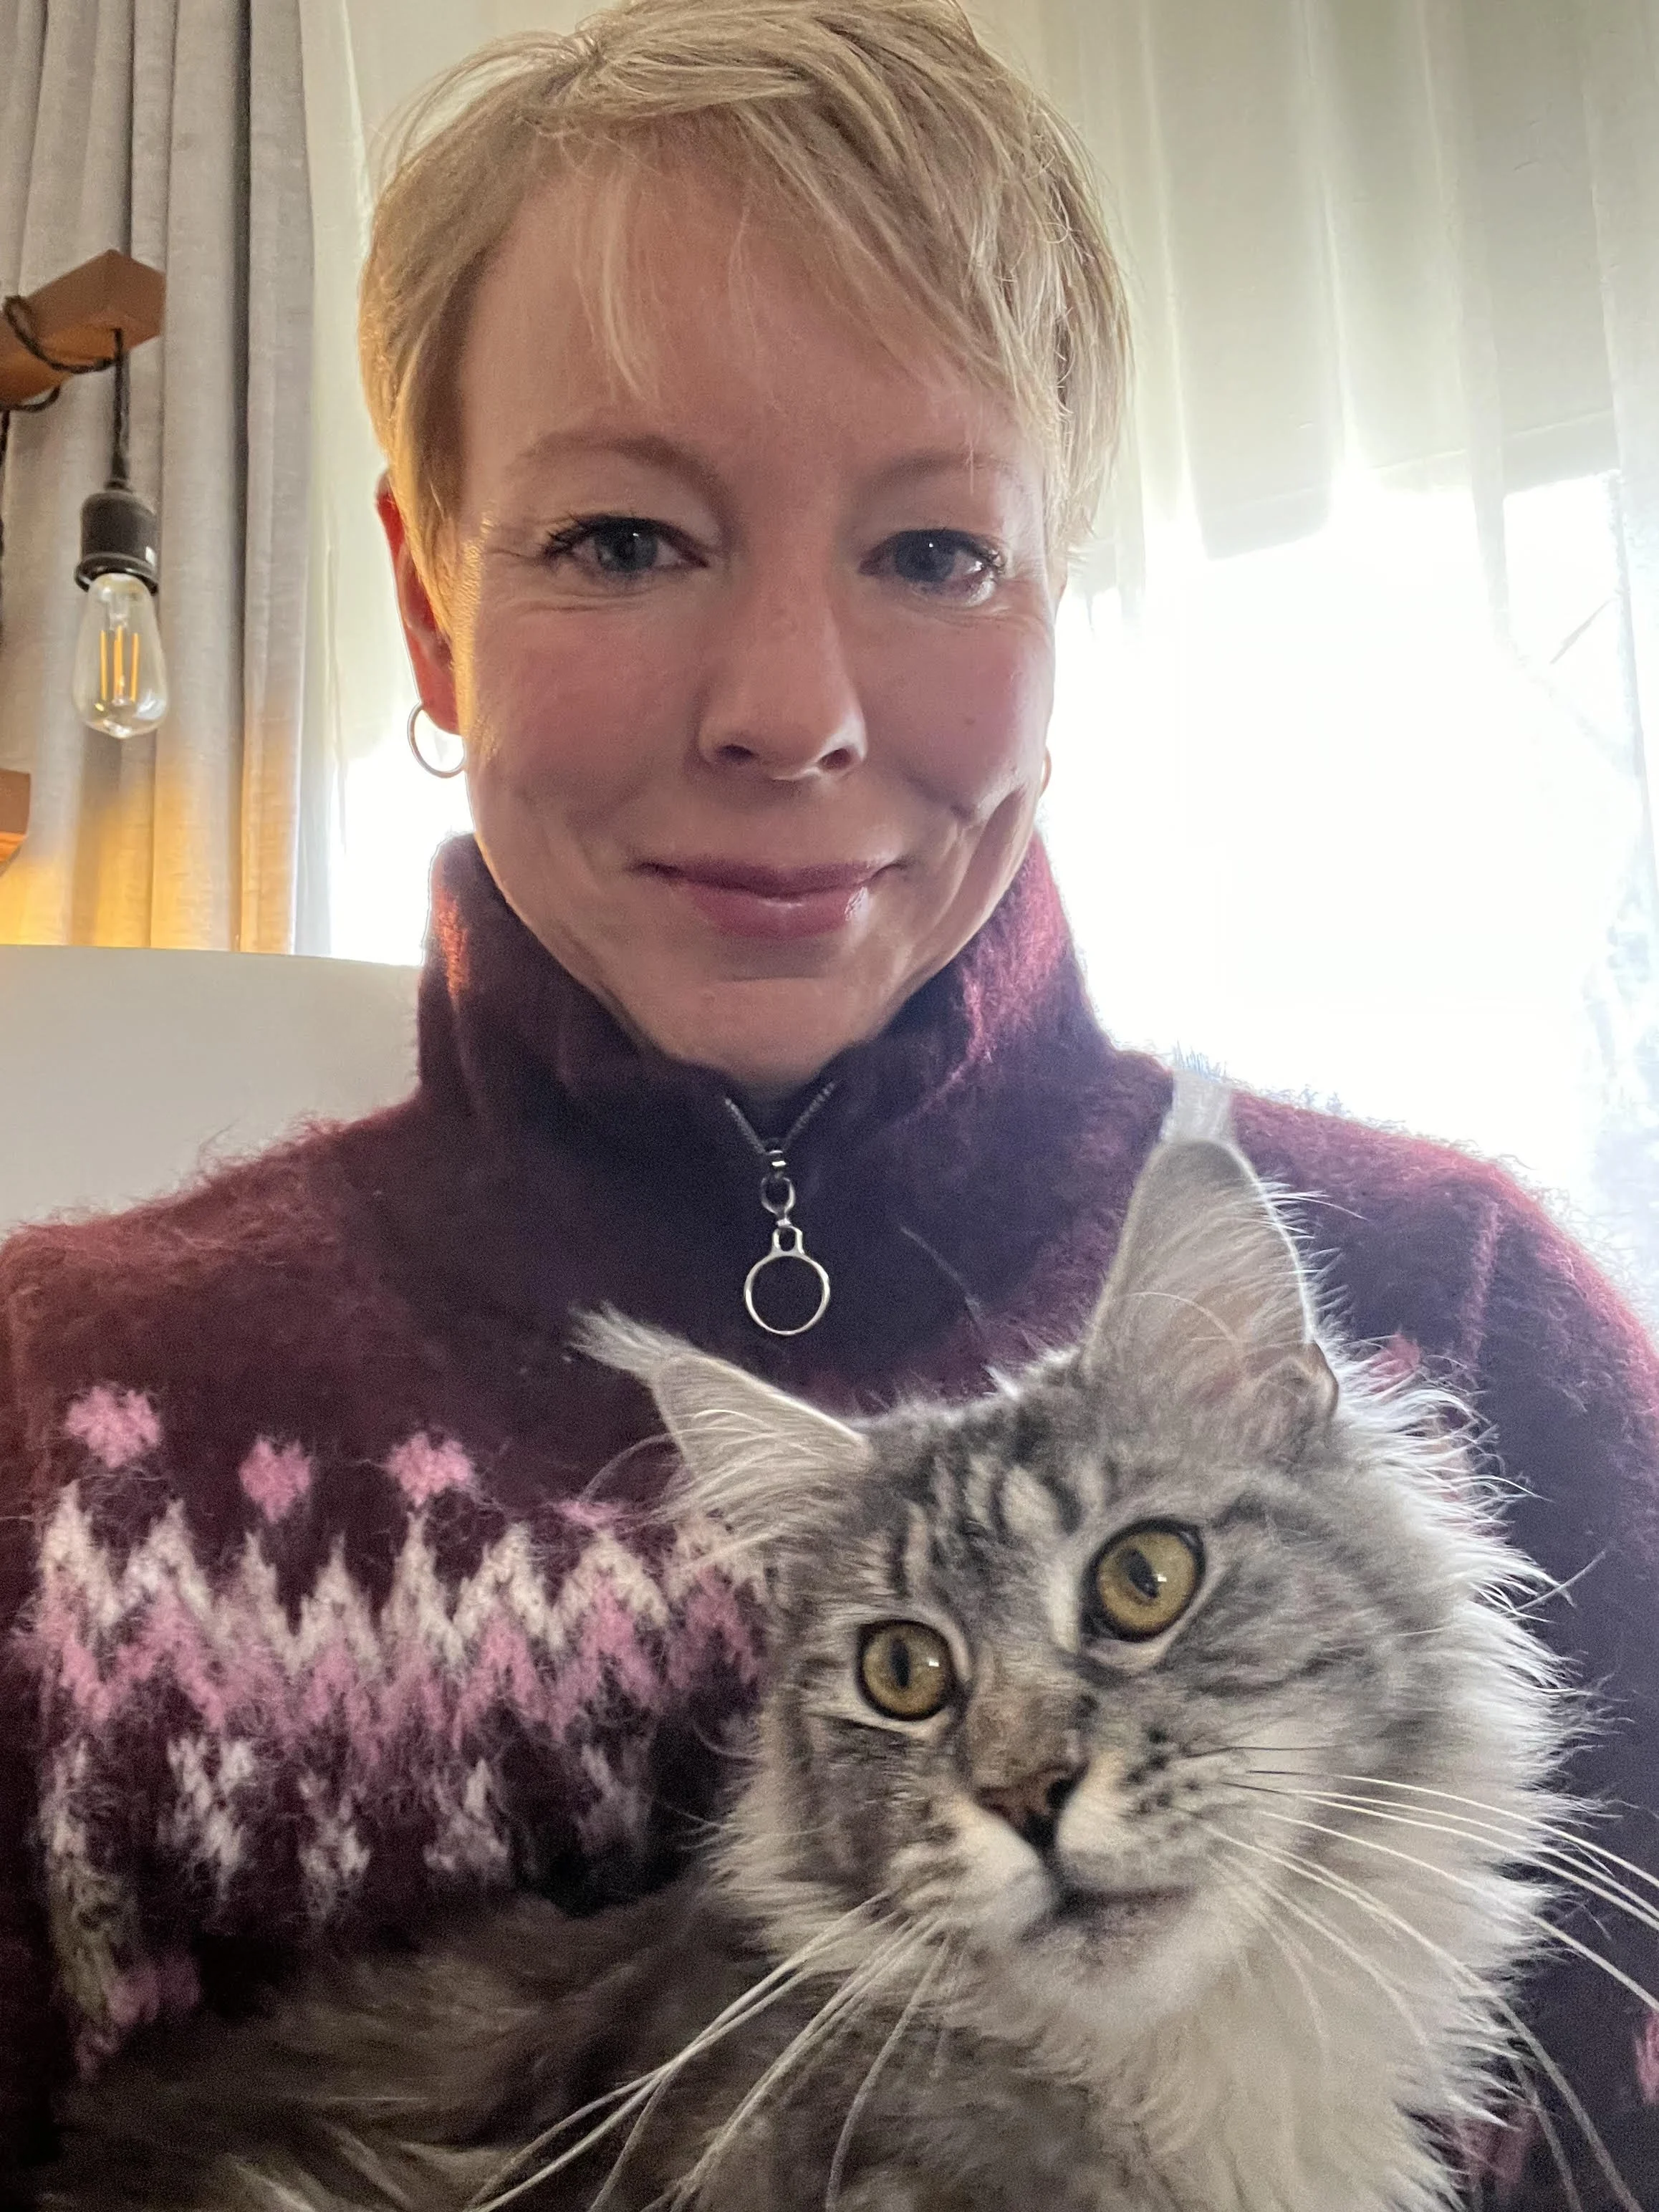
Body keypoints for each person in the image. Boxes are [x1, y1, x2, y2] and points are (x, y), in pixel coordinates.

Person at [0, 1, 1653, 2203]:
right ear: (425, 602)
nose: (791, 712)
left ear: (1065, 609)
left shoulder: (1466, 1307)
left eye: (935, 551)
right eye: (617, 538)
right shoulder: (55, 1404)